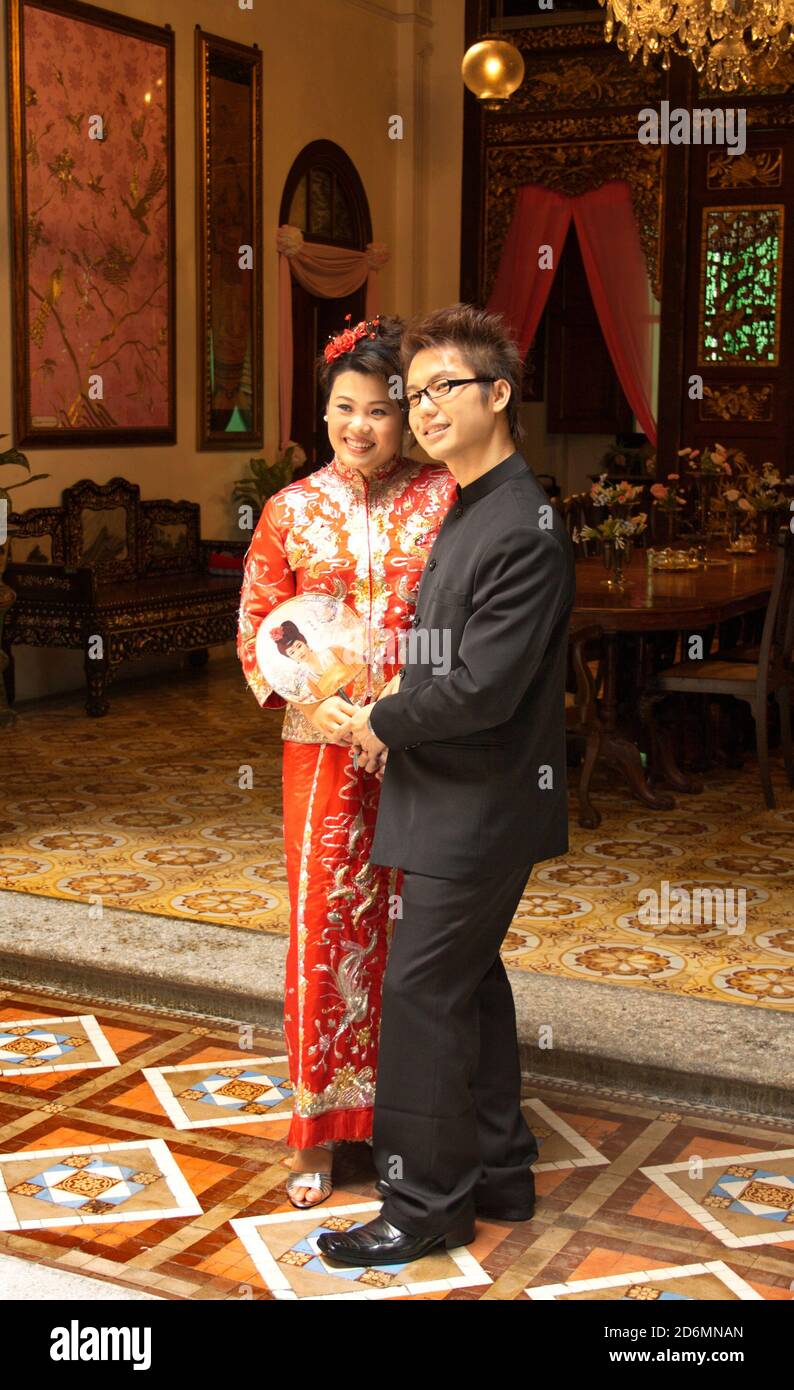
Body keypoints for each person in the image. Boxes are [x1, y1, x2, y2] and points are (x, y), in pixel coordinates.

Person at [318, 303, 575, 1267]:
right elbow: (447, 653)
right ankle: (501, 1168)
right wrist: (388, 691)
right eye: (413, 394)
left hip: (479, 805)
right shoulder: (472, 503)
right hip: (450, 793)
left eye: (443, 390)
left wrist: (381, 720)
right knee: (470, 988)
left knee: (421, 996)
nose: (422, 410)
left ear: (498, 394)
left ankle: (423, 1204)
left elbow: (486, 687)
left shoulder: (522, 522)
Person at [237, 315, 456, 1208]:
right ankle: (320, 1129)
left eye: (378, 410)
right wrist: (310, 698)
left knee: (417, 933)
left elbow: (463, 623)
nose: (358, 426)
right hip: (323, 755)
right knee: (326, 931)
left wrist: (405, 701)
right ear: (322, 412)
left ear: (405, 415)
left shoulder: (444, 499)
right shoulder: (290, 509)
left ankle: (410, 1119)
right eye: (342, 409)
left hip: (419, 747)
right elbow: (258, 626)